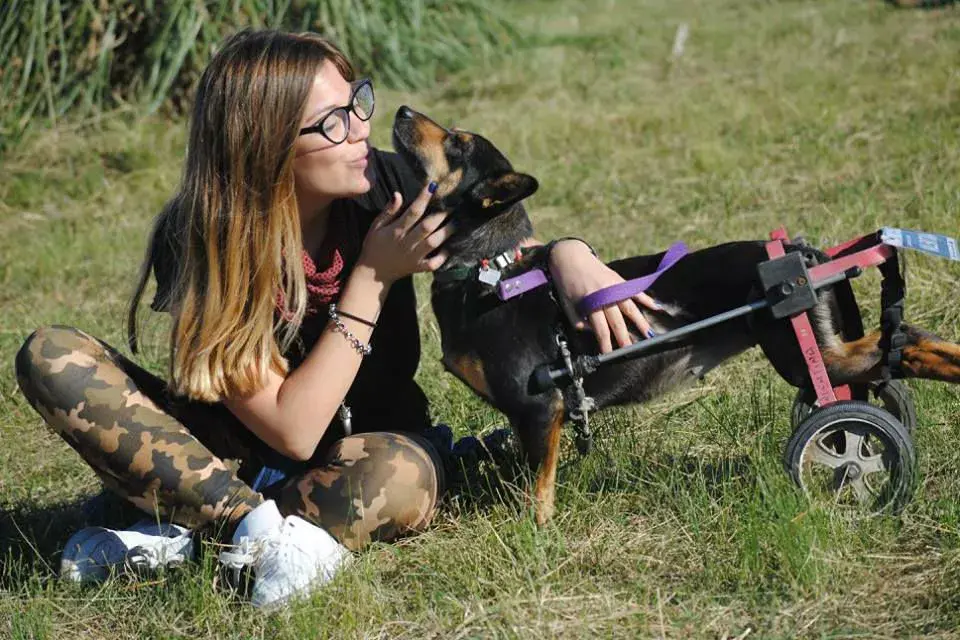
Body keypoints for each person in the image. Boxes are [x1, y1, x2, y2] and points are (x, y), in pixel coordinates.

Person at [14, 29, 659, 608]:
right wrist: (373, 277)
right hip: (215, 459)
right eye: (332, 122)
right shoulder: (205, 238)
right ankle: (250, 533)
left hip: (360, 452)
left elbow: (494, 220)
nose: (360, 129)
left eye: (358, 102)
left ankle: (177, 542)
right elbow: (293, 430)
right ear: (265, 149)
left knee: (403, 475)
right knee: (51, 356)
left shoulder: (384, 185)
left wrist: (570, 256)